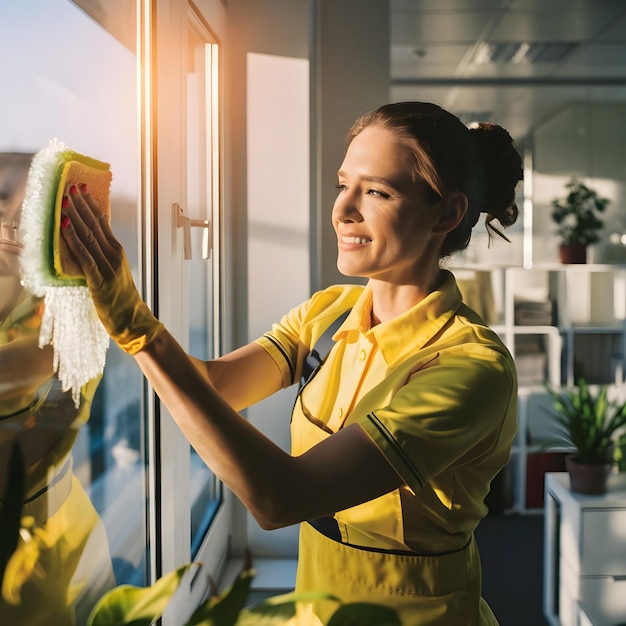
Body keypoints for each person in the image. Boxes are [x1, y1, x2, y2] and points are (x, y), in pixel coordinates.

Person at [60, 101, 523, 625]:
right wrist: (110, 303)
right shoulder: (329, 312)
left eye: (376, 191)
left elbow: (282, 497)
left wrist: (137, 325)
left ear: (447, 213)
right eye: (342, 184)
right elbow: (217, 386)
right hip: (314, 611)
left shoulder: (471, 369)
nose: (343, 209)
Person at [0, 152, 115, 626]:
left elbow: (16, 372)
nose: (10, 225)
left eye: (29, 213)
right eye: (2, 204)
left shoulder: (75, 312)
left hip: (44, 549)